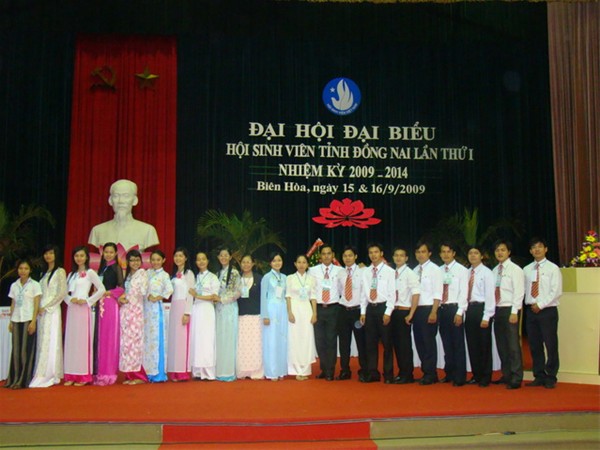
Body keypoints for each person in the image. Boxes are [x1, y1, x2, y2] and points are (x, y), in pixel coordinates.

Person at [64, 246, 106, 386]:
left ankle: (82, 375)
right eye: (76, 256)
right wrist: (70, 300)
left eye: (81, 255)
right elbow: (64, 292)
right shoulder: (71, 275)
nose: (79, 258)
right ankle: (70, 374)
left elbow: (102, 289)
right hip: (72, 309)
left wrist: (87, 301)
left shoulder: (90, 273)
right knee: (71, 340)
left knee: (82, 342)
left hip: (83, 310)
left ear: (87, 257)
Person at [523, 237, 562, 389]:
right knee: (534, 345)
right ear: (530, 251)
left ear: (546, 249)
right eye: (534, 247)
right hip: (531, 311)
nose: (537, 249)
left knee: (550, 344)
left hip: (547, 311)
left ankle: (551, 376)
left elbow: (556, 291)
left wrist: (540, 304)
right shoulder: (526, 269)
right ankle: (539, 375)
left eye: (540, 247)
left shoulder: (553, 268)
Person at [29, 245, 67, 388]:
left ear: (56, 254)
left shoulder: (60, 271)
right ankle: (41, 371)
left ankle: (49, 373)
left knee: (50, 340)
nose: (48, 256)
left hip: (52, 310)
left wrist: (47, 307)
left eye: (51, 253)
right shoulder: (43, 273)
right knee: (42, 340)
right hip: (41, 311)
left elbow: (62, 293)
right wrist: (39, 308)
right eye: (46, 253)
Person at [359, 243, 396, 383]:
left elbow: (392, 294)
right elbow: (363, 293)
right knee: (370, 343)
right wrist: (363, 312)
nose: (373, 255)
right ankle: (373, 373)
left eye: (376, 252)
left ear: (381, 253)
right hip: (370, 309)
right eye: (370, 252)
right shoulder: (366, 272)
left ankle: (388, 374)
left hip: (383, 308)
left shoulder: (389, 271)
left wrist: (388, 312)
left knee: (387, 344)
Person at [88, 179, 159, 251]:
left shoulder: (148, 231)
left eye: (126, 196)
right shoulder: (97, 231)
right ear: (110, 200)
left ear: (135, 200)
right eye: (116, 196)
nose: (121, 201)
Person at [492, 240, 525, 389]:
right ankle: (506, 374)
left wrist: (514, 311)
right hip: (497, 310)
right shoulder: (494, 271)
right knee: (502, 345)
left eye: (503, 250)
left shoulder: (515, 269)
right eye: (497, 250)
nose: (500, 253)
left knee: (513, 345)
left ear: (509, 252)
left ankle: (516, 377)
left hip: (510, 309)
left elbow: (519, 292)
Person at [5, 259, 42, 389]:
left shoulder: (35, 285)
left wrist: (33, 321)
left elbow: (36, 303)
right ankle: (13, 379)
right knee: (16, 350)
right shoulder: (14, 285)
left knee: (25, 351)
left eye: (26, 268)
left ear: (30, 270)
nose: (23, 271)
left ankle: (23, 380)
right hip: (16, 319)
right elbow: (13, 303)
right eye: (21, 268)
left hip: (28, 319)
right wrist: (10, 321)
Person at [309, 244, 342, 381]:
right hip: (318, 309)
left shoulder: (340, 270)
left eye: (329, 253)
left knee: (331, 340)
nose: (326, 256)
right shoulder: (313, 271)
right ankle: (324, 368)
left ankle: (330, 370)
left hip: (333, 308)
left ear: (333, 255)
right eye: (323, 254)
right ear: (320, 256)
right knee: (319, 340)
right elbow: (311, 290)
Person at [464, 245, 496, 387]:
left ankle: (485, 376)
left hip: (482, 309)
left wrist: (487, 316)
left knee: (484, 344)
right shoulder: (466, 273)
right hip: (469, 309)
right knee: (472, 344)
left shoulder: (487, 273)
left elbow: (490, 296)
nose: (473, 255)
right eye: (470, 253)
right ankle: (476, 374)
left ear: (482, 256)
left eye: (476, 253)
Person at [437, 242, 468, 386]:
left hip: (455, 309)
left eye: (448, 251)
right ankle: (449, 373)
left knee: (457, 344)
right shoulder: (438, 270)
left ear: (454, 253)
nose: (446, 254)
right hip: (442, 309)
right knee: (446, 343)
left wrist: (460, 312)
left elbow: (464, 292)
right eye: (443, 252)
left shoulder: (462, 270)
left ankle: (460, 377)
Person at [94, 242, 124, 386]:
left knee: (109, 337)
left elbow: (121, 288)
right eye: (106, 252)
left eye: (111, 252)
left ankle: (110, 372)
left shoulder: (116, 267)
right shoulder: (101, 269)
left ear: (116, 253)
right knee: (101, 337)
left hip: (110, 303)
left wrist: (109, 292)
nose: (108, 254)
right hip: (100, 304)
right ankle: (100, 371)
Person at [413, 241, 442, 385]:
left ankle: (431, 373)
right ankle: (426, 371)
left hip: (429, 309)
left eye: (423, 251)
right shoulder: (414, 270)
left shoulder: (435, 269)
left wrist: (434, 311)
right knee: (419, 342)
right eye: (418, 252)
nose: (420, 254)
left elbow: (438, 292)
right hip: (416, 310)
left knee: (428, 342)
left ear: (429, 253)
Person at [336, 245, 367, 381]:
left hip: (357, 312)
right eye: (345, 256)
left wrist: (363, 312)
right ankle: (345, 370)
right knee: (344, 343)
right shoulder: (340, 273)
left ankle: (364, 370)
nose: (347, 258)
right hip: (343, 311)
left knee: (361, 342)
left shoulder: (363, 271)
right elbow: (338, 291)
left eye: (350, 255)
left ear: (355, 256)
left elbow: (365, 293)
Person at [118, 249, 149, 384]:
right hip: (126, 311)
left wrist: (128, 297)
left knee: (135, 343)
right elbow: (125, 291)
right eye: (132, 260)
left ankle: (139, 375)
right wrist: (121, 298)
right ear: (128, 262)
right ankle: (130, 375)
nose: (135, 263)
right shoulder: (128, 275)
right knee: (126, 344)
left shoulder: (142, 273)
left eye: (137, 260)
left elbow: (143, 292)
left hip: (136, 312)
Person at [390, 246, 419, 384]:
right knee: (397, 344)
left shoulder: (410, 273)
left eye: (401, 255)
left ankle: (408, 374)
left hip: (404, 311)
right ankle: (402, 372)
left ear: (406, 258)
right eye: (396, 255)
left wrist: (411, 313)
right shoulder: (392, 273)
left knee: (404, 345)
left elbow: (416, 294)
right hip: (393, 311)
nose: (398, 258)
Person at [188, 251, 220, 380]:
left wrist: (197, 296)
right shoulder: (195, 278)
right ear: (196, 262)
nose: (201, 261)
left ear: (207, 261)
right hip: (196, 309)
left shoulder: (213, 277)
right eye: (198, 259)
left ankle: (208, 372)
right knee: (197, 339)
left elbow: (214, 296)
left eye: (203, 259)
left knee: (207, 339)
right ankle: (197, 371)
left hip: (207, 309)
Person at [286, 254, 317, 380]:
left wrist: (314, 313)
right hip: (294, 309)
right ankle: (295, 370)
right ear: (295, 264)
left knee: (306, 338)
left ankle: (305, 370)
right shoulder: (290, 278)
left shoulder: (311, 279)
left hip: (306, 310)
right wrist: (289, 312)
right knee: (294, 338)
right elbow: (288, 296)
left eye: (304, 262)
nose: (301, 265)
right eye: (299, 262)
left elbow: (313, 297)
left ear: (307, 264)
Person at [143, 250, 173, 383]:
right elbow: (142, 288)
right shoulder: (146, 273)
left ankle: (158, 373)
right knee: (146, 340)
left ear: (163, 260)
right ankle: (146, 371)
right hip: (145, 310)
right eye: (153, 259)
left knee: (156, 339)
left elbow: (169, 290)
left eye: (158, 260)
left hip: (156, 310)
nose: (155, 262)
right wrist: (147, 295)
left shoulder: (165, 275)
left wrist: (158, 297)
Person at [167, 247, 194, 382]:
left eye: (181, 256)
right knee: (174, 339)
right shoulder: (173, 274)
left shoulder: (189, 274)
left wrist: (187, 313)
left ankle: (182, 371)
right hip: (174, 307)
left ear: (186, 258)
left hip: (183, 306)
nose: (178, 258)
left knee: (182, 340)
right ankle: (174, 370)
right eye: (176, 256)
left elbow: (190, 294)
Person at [215, 247, 241, 381]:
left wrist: (222, 299)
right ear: (218, 257)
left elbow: (238, 292)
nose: (223, 257)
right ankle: (219, 370)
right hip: (218, 308)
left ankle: (229, 371)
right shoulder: (217, 273)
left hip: (229, 308)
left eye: (226, 255)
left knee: (229, 338)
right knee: (220, 338)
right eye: (221, 255)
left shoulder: (234, 273)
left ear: (230, 257)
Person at [261, 251, 288, 381]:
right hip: (271, 310)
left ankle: (281, 371)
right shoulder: (266, 277)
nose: (277, 263)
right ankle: (271, 372)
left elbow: (287, 296)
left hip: (283, 310)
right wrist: (265, 315)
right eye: (274, 260)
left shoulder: (285, 277)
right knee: (271, 340)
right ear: (270, 263)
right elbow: (263, 297)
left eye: (279, 260)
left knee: (282, 339)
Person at [237, 254, 264, 380]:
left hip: (255, 316)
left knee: (255, 344)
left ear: (253, 263)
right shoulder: (236, 278)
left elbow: (263, 298)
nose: (246, 264)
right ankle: (243, 371)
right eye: (243, 262)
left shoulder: (259, 278)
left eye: (248, 262)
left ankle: (256, 371)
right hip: (241, 316)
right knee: (242, 345)